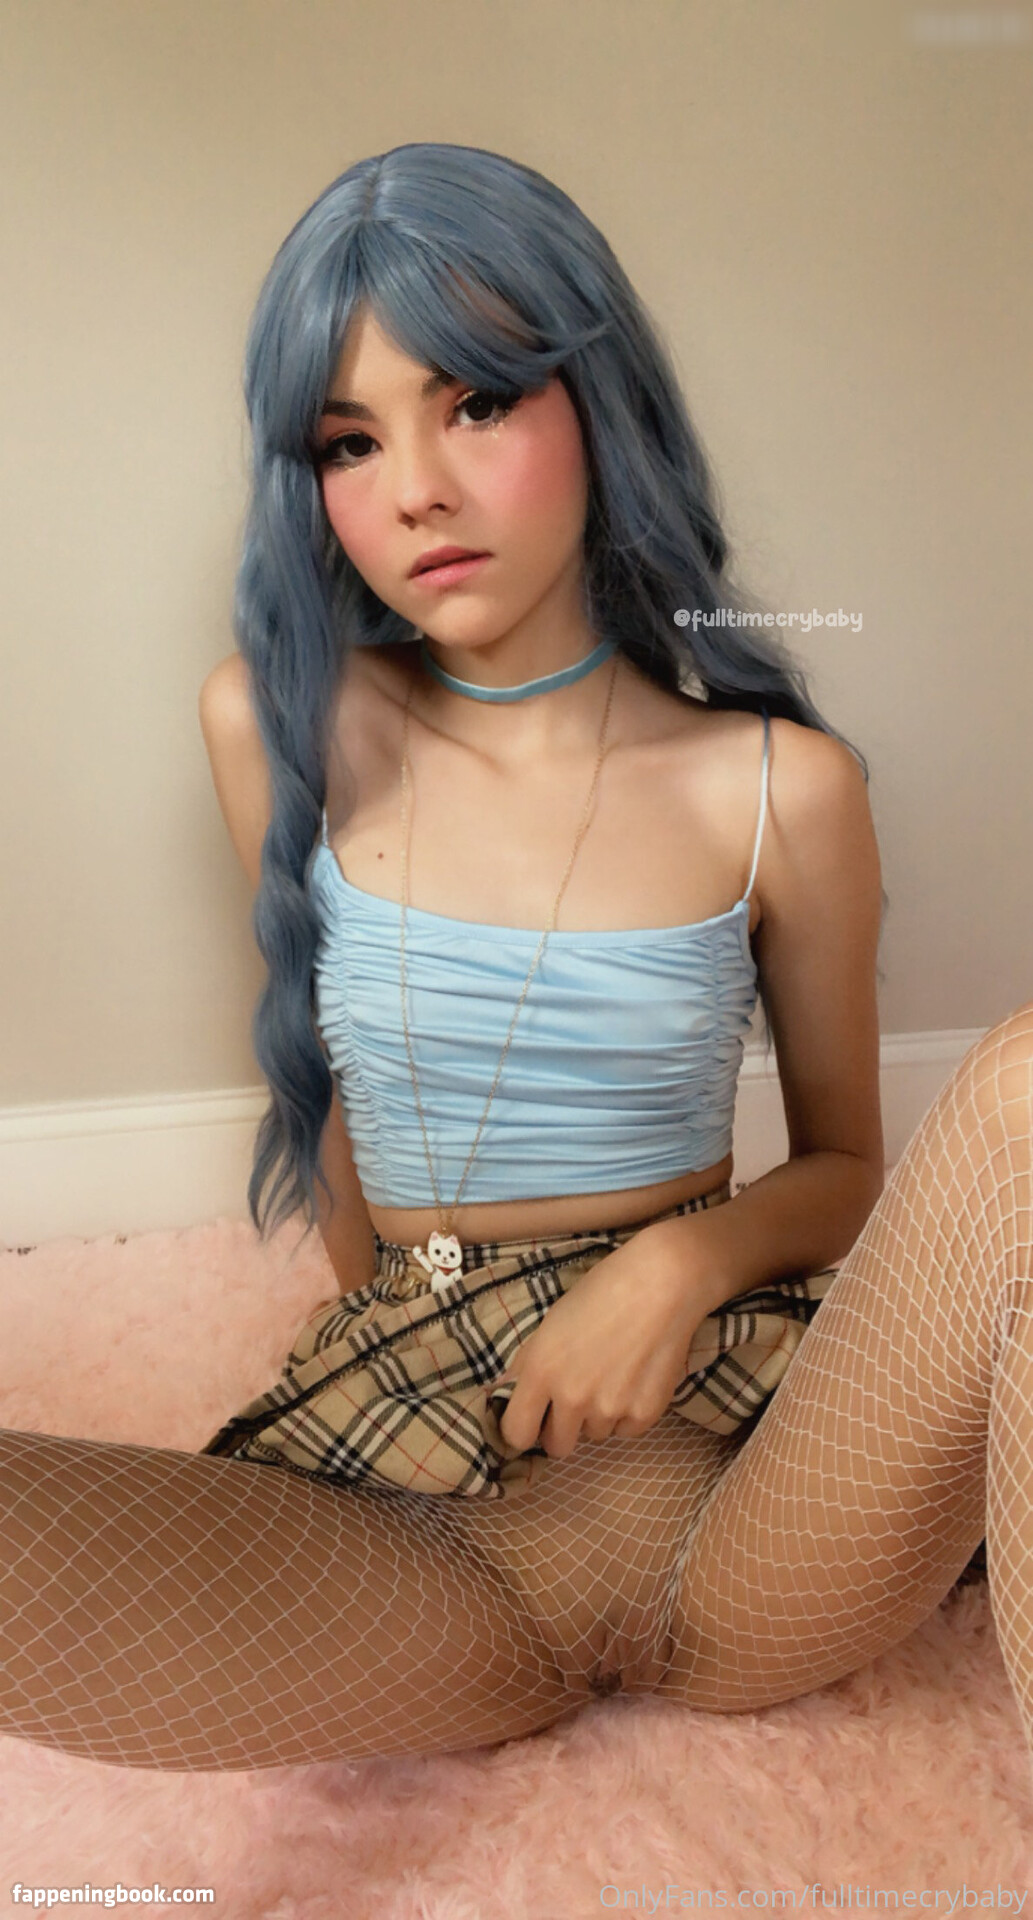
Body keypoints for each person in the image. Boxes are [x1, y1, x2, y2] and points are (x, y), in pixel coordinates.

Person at [1, 141, 1030, 1780]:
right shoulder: (281, 724)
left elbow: (845, 1169)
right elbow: (333, 1110)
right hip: (442, 1540)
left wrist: (672, 1270)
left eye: (474, 400)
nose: (415, 486)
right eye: (349, 440)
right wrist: (398, 1325)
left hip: (755, 1492)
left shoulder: (779, 787)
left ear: (596, 401)